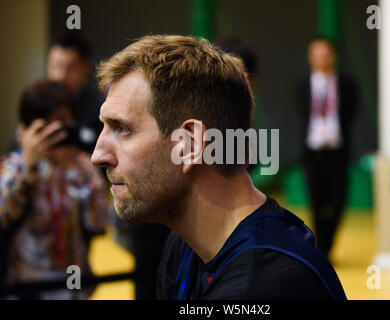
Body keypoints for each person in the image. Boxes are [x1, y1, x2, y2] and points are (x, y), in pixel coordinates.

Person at [91, 35, 346, 300]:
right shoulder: (185, 245)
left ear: (190, 143)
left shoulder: (262, 286)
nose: (98, 155)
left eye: (122, 129)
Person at [0, 80, 111, 299]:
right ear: (27, 129)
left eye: (62, 122)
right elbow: (3, 215)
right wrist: (27, 167)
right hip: (27, 286)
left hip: (73, 281)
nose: (56, 133)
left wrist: (77, 174)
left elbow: (99, 222)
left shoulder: (82, 166)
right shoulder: (12, 167)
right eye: (45, 126)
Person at [297, 36, 357, 258]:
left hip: (338, 151)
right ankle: (322, 249)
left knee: (338, 200)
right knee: (316, 200)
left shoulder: (346, 83)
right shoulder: (303, 85)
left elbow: (351, 113)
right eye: (317, 53)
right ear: (310, 57)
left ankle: (328, 243)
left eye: (325, 53)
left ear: (333, 56)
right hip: (313, 150)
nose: (321, 58)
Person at [46, 30, 104, 153]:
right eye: (55, 66)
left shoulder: (100, 108)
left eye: (70, 68)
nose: (60, 76)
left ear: (86, 67)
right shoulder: (37, 103)